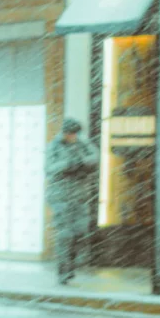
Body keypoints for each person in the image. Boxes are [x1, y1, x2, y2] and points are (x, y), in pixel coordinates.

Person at [45, 118, 99, 285]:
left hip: (80, 196)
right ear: (64, 132)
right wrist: (67, 164)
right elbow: (49, 168)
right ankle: (63, 271)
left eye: (74, 134)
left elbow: (95, 157)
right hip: (61, 196)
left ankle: (71, 266)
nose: (71, 137)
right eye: (69, 133)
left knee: (79, 232)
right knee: (64, 234)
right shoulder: (54, 146)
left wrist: (83, 162)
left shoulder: (83, 145)